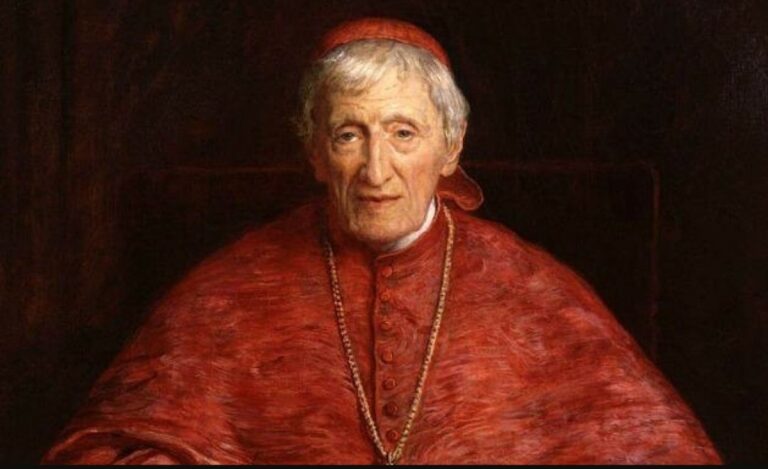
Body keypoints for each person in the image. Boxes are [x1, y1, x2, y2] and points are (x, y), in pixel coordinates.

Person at [43, 18, 721, 464]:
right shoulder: (228, 290)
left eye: (403, 133)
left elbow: (660, 448)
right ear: (314, 152)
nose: (376, 170)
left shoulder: (534, 291)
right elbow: (105, 447)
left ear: (450, 147)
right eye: (349, 135)